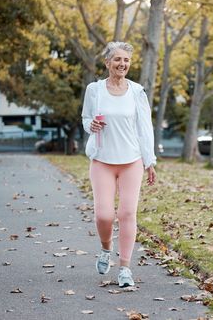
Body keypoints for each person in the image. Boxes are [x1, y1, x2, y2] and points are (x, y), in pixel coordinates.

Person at [81, 42, 156, 288]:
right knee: (103, 215)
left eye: (126, 60)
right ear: (107, 63)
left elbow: (145, 127)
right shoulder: (94, 90)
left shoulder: (137, 91)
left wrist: (150, 161)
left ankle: (125, 268)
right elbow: (86, 118)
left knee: (126, 214)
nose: (122, 64)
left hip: (131, 160)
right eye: (117, 60)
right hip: (102, 159)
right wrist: (90, 125)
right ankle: (105, 249)